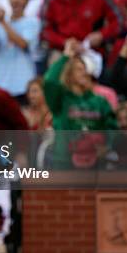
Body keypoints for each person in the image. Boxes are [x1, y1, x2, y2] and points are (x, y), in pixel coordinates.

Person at [43, 39, 117, 169]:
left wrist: (107, 146)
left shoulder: (99, 101)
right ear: (69, 75)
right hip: (64, 163)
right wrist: (65, 56)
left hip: (96, 164)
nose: (84, 72)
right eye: (78, 69)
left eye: (84, 69)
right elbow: (49, 82)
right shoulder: (60, 100)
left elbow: (112, 127)